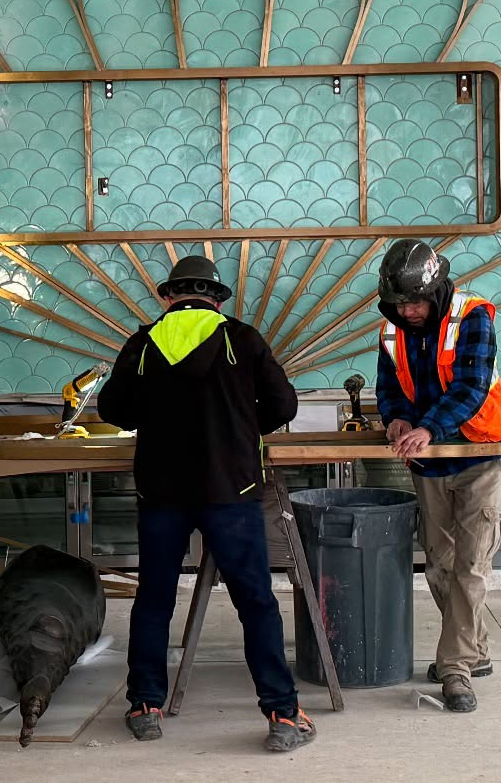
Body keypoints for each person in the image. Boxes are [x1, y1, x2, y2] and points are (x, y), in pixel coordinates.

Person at [96, 255, 314, 753]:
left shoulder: (144, 342)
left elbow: (113, 410)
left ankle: (145, 705)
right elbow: (284, 405)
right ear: (216, 298)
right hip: (231, 493)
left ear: (169, 297)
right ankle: (282, 712)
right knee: (255, 602)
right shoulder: (243, 339)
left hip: (161, 493)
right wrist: (238, 429)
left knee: (154, 601)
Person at [375, 239, 501, 713]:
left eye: (414, 302)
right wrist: (393, 418)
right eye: (399, 304)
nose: (408, 312)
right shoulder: (391, 330)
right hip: (427, 462)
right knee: (438, 564)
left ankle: (454, 668)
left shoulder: (472, 316)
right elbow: (390, 388)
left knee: (471, 564)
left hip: (476, 454)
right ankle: (475, 650)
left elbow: (472, 386)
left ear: (435, 291)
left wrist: (428, 426)